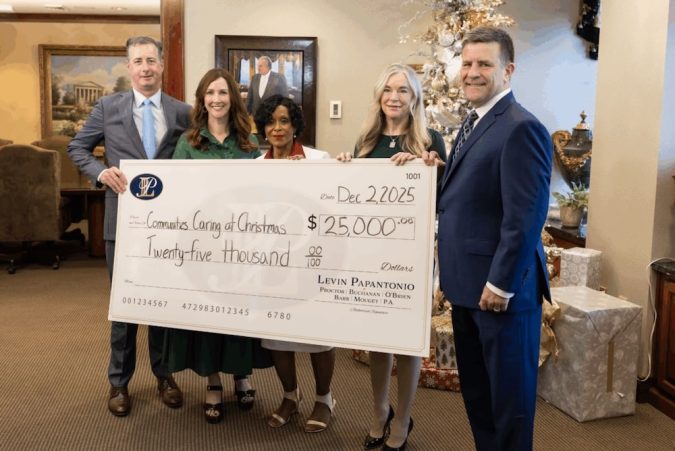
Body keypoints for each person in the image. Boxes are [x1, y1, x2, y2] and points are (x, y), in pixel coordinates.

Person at [434, 26, 552, 451]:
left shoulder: (521, 127)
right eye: (467, 63)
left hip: (501, 294)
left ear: (508, 70)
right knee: (480, 399)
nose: (472, 72)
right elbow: (469, 195)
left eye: (484, 64)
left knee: (509, 406)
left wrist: (501, 283)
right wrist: (433, 171)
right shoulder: (474, 122)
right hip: (467, 289)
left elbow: (525, 217)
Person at [67, 36, 191, 417]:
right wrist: (100, 172)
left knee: (162, 304)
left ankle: (164, 375)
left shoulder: (182, 112)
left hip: (169, 226)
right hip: (123, 223)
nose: (145, 67)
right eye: (138, 61)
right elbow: (77, 148)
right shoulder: (108, 107)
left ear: (162, 64)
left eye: (151, 60)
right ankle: (119, 382)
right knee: (124, 306)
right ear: (129, 67)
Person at [337, 63, 446, 451]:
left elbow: (442, 197)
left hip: (410, 258)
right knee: (378, 339)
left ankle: (403, 419)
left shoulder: (429, 141)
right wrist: (345, 169)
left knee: (406, 340)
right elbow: (354, 198)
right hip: (372, 254)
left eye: (402, 90)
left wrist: (426, 167)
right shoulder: (366, 142)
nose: (394, 97)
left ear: (414, 97)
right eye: (388, 89)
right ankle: (380, 410)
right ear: (379, 96)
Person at [162, 68, 272, 424]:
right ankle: (212, 381)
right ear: (202, 99)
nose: (216, 99)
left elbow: (261, 195)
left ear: (232, 98)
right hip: (203, 247)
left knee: (239, 313)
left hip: (241, 248)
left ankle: (241, 375)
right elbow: (175, 192)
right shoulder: (189, 142)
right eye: (210, 93)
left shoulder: (249, 143)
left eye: (222, 92)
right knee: (208, 316)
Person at [253, 95, 337, 433]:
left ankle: (324, 399)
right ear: (263, 128)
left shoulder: (319, 160)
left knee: (319, 335)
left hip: (310, 261)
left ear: (295, 125)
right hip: (271, 264)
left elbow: (331, 208)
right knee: (276, 336)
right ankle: (290, 396)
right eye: (271, 121)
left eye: (284, 121)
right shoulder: (255, 166)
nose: (277, 128)